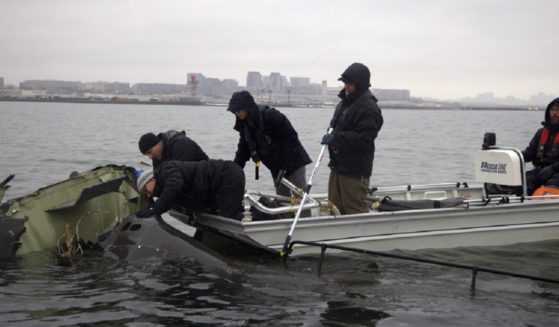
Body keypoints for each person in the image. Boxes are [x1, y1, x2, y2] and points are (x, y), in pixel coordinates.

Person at [321, 63, 384, 214]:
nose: (346, 87)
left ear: (360, 84)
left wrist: (335, 138)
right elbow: (336, 125)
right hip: (338, 165)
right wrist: (330, 133)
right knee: (333, 206)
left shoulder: (369, 107)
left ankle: (363, 236)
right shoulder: (345, 102)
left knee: (354, 208)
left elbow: (364, 138)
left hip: (355, 170)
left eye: (350, 84)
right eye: (345, 83)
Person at [227, 90, 312, 196]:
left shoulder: (271, 116)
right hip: (275, 166)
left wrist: (285, 166)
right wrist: (234, 171)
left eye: (239, 110)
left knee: (300, 196)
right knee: (281, 199)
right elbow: (243, 151)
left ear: (247, 107)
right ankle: (285, 213)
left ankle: (304, 212)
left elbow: (291, 139)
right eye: (234, 111)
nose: (237, 113)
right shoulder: (244, 126)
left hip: (294, 162)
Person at [135, 159, 245, 220]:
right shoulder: (165, 190)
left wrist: (153, 210)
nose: (148, 195)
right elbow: (167, 201)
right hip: (218, 187)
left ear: (152, 179)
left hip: (227, 176)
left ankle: (259, 218)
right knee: (222, 215)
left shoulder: (166, 169)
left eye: (145, 190)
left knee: (227, 218)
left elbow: (175, 185)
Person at [522, 98, 559, 195]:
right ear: (548, 112)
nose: (555, 113)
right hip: (541, 171)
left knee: (547, 190)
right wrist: (515, 156)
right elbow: (529, 153)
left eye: (558, 110)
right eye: (553, 110)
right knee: (522, 183)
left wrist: (553, 168)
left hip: (556, 173)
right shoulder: (541, 133)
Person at [138, 130, 208, 169]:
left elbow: (176, 175)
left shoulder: (181, 144)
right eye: (147, 155)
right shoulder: (157, 158)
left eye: (149, 152)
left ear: (158, 143)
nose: (150, 157)